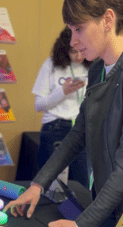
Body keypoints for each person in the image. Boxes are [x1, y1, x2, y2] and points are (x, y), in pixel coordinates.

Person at [4, 0, 123, 227]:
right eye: (71, 31)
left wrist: (82, 224)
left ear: (107, 20)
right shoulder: (96, 70)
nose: (72, 41)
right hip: (106, 206)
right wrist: (38, 184)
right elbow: (78, 135)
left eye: (78, 29)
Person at [33, 27, 93, 189]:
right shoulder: (52, 64)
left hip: (82, 128)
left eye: (82, 50)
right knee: (48, 185)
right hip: (55, 127)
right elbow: (38, 105)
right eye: (73, 52)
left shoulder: (93, 65)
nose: (79, 56)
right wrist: (63, 91)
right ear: (64, 49)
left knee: (81, 185)